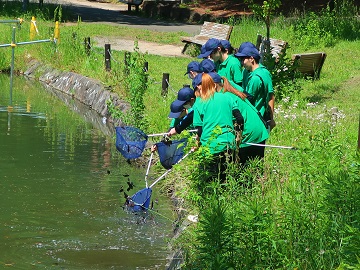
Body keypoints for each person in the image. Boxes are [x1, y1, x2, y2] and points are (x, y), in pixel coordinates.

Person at [208, 72, 269, 165]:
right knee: (256, 168)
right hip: (258, 129)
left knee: (244, 170)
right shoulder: (229, 91)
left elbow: (236, 119)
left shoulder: (224, 97)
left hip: (249, 132)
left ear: (214, 85)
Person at [192, 73, 243, 182]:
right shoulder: (227, 97)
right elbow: (239, 118)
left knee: (210, 180)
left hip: (209, 147)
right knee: (226, 178)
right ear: (214, 85)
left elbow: (199, 130)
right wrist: (237, 137)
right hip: (228, 145)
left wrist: (197, 144)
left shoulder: (199, 103)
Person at [235, 45, 276, 131]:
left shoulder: (256, 78)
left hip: (256, 118)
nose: (242, 63)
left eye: (243, 59)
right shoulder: (246, 71)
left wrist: (271, 119)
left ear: (251, 59)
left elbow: (270, 96)